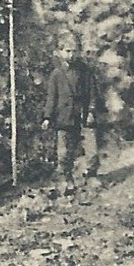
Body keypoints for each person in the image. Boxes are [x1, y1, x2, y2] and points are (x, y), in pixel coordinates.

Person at [41, 36, 102, 193]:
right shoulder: (56, 74)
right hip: (64, 117)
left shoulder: (85, 71)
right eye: (67, 51)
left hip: (83, 114)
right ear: (59, 53)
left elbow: (93, 93)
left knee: (91, 147)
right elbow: (51, 97)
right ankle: (67, 178)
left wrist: (91, 111)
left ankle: (91, 174)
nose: (71, 55)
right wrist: (47, 117)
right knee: (64, 152)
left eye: (74, 51)